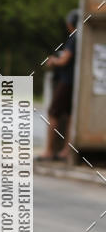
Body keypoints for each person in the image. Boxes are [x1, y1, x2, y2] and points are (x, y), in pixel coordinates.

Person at [38, 10, 79, 161]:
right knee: (69, 116)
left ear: (70, 24)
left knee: (53, 112)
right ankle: (66, 151)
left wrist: (53, 61)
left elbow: (64, 60)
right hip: (75, 83)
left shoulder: (73, 38)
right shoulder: (81, 38)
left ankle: (49, 150)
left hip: (66, 81)